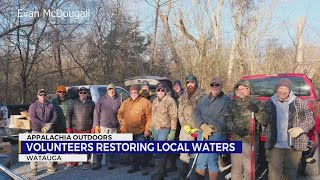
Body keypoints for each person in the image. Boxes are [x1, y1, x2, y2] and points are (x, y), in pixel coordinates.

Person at [265, 78, 315, 180]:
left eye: (286, 89)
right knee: (273, 175)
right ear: (276, 89)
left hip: (294, 145)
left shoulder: (298, 102)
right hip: (275, 145)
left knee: (291, 175)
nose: (283, 91)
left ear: (289, 90)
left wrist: (300, 129)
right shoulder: (269, 102)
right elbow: (262, 120)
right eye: (280, 88)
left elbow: (311, 119)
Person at [224, 80, 268, 180]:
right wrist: (234, 128)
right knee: (236, 169)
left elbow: (265, 121)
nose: (241, 91)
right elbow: (227, 119)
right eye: (239, 89)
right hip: (236, 140)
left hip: (250, 141)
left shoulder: (256, 102)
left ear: (249, 89)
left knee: (249, 170)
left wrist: (257, 111)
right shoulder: (232, 103)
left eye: (244, 89)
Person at [193, 77, 230, 180]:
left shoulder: (227, 100)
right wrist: (202, 125)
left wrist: (210, 129)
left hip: (217, 134)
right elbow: (196, 113)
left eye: (217, 85)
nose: (214, 87)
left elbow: (225, 118)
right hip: (202, 132)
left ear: (221, 86)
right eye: (212, 85)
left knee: (211, 161)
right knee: (200, 160)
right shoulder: (203, 99)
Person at [118, 85, 152, 175]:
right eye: (132, 92)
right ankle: (134, 166)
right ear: (130, 93)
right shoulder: (125, 102)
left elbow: (150, 118)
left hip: (141, 131)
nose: (133, 94)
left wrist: (147, 130)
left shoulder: (145, 102)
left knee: (142, 151)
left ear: (138, 92)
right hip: (128, 131)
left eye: (135, 92)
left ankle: (144, 167)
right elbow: (120, 113)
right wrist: (122, 123)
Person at [175, 75, 204, 179]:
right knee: (183, 152)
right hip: (186, 128)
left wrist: (198, 127)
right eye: (188, 83)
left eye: (192, 82)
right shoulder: (183, 96)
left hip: (198, 128)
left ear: (195, 83)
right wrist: (185, 126)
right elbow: (180, 112)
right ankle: (183, 173)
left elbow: (204, 113)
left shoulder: (202, 96)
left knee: (195, 154)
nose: (190, 84)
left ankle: (194, 175)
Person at [150, 83, 178, 179]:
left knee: (160, 151)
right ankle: (163, 171)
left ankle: (160, 174)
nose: (160, 92)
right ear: (156, 91)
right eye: (158, 90)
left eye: (162, 90)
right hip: (156, 129)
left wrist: (173, 131)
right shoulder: (154, 101)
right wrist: (152, 128)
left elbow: (174, 117)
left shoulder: (170, 100)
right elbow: (153, 115)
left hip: (165, 129)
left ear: (165, 90)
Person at [91, 83, 121, 170]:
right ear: (107, 90)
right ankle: (98, 163)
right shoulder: (102, 99)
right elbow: (96, 113)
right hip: (103, 126)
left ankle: (110, 162)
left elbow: (121, 114)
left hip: (114, 127)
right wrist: (96, 125)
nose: (112, 91)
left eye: (113, 89)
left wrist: (121, 125)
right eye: (110, 89)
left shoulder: (119, 100)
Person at [28, 89, 58, 176]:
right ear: (37, 96)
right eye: (40, 94)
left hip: (49, 130)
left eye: (44, 94)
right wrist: (44, 124)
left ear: (46, 95)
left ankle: (50, 166)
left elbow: (55, 116)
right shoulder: (33, 106)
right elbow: (33, 118)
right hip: (37, 130)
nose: (42, 96)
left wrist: (50, 125)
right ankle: (33, 168)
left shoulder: (51, 105)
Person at [66, 87, 95, 170]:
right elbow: (68, 115)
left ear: (87, 94)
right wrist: (68, 127)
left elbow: (94, 116)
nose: (83, 94)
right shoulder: (73, 103)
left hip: (87, 128)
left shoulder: (91, 103)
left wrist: (94, 126)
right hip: (76, 128)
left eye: (84, 92)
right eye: (81, 92)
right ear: (78, 93)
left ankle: (85, 162)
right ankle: (75, 161)